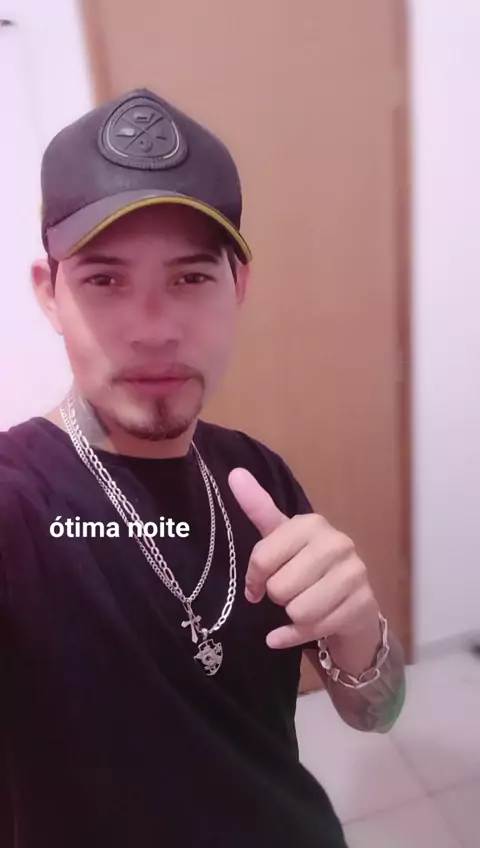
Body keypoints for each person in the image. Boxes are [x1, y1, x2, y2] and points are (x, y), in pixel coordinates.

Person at [0, 88, 406, 848]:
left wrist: (360, 629)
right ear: (49, 295)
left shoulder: (258, 477)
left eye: (189, 278)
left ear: (237, 286)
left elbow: (375, 715)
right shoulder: (16, 502)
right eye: (105, 281)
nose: (154, 330)